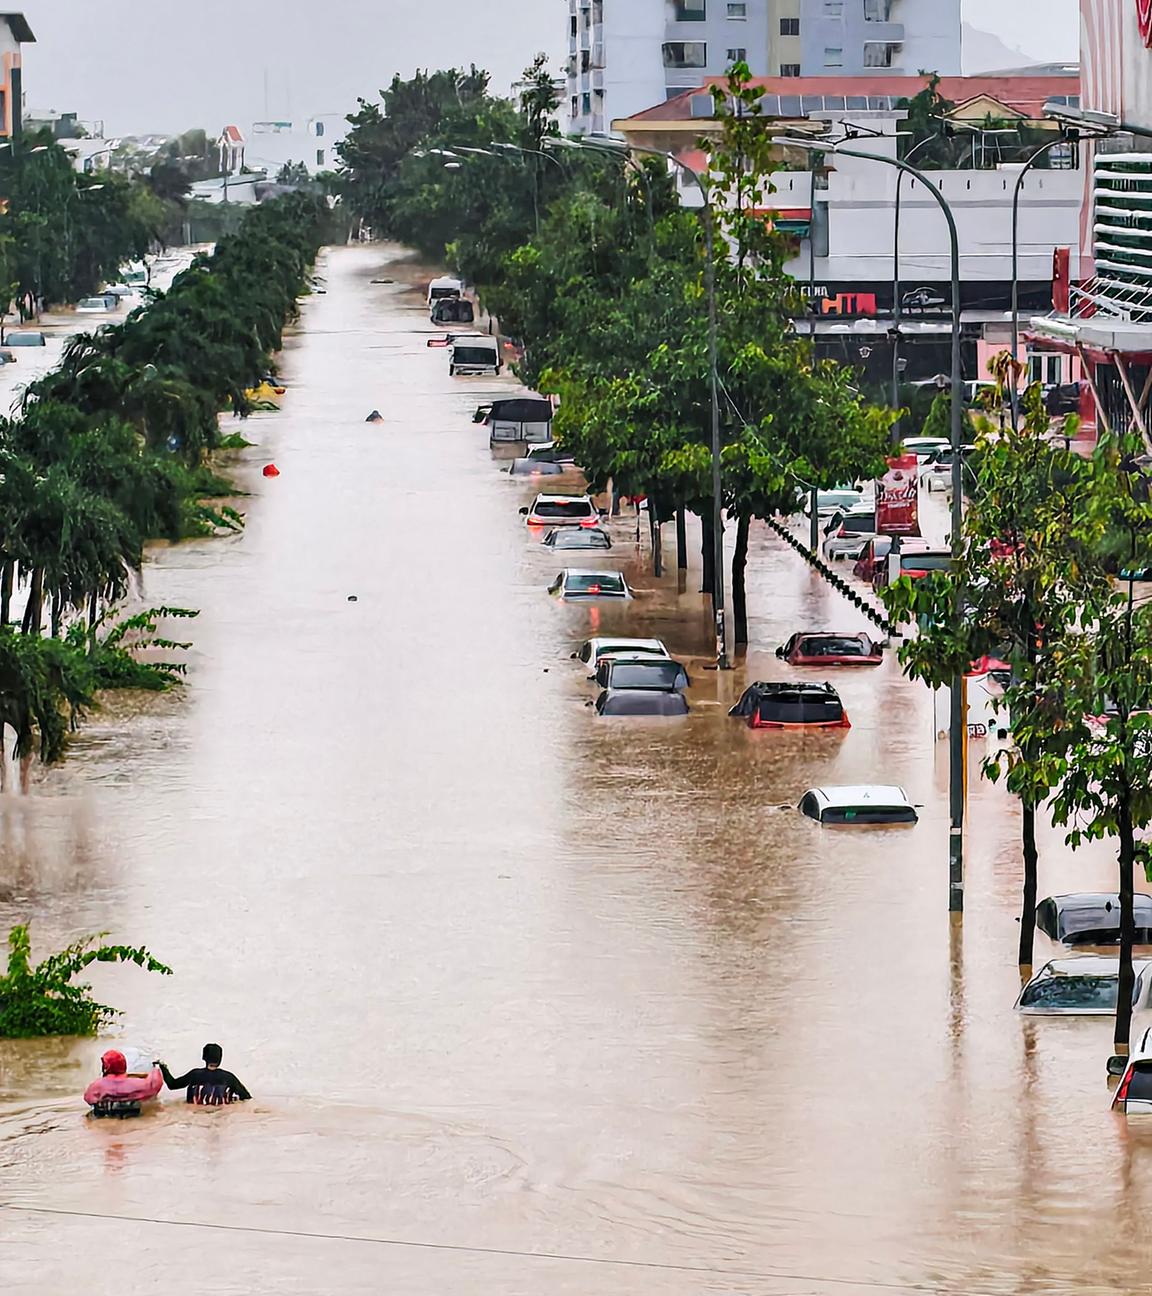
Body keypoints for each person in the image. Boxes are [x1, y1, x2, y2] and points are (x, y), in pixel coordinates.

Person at [158, 1043, 251, 1106]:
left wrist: (163, 1067)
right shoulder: (229, 1078)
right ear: (220, 1059)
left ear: (203, 1057)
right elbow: (246, 1097)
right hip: (220, 1113)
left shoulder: (194, 1075)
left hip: (195, 1113)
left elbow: (172, 1085)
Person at [83, 1050, 163, 1117]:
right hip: (132, 1116)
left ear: (106, 1066)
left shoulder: (96, 1086)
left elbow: (88, 1098)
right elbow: (155, 1084)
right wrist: (156, 1068)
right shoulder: (137, 1084)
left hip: (104, 1117)